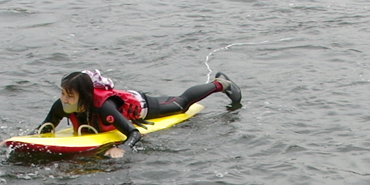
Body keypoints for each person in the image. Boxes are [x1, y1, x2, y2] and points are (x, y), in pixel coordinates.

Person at [35, 69, 240, 159]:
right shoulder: (61, 105)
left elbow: (134, 133)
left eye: (69, 95)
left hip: (139, 106)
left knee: (180, 104)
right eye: (63, 93)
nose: (64, 99)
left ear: (84, 97)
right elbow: (46, 127)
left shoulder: (104, 107)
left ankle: (220, 84)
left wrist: (123, 149)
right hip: (119, 104)